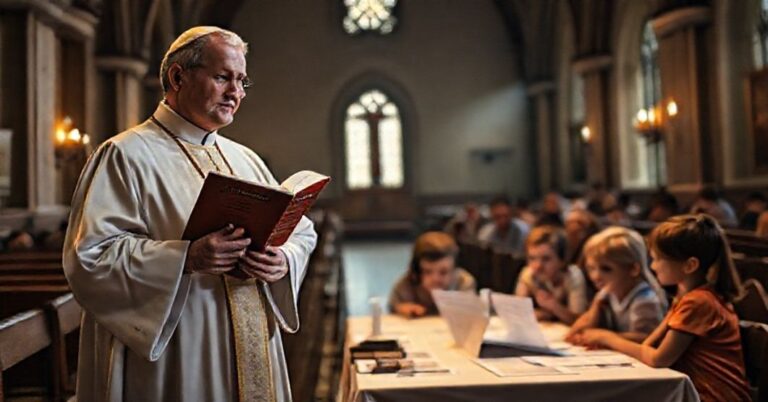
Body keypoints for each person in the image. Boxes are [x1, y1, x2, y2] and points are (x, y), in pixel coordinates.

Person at [63, 27, 317, 402]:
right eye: (223, 77)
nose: (236, 93)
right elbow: (91, 259)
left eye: (242, 81)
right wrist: (187, 257)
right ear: (178, 77)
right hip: (181, 353)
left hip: (251, 344)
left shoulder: (243, 158)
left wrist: (283, 259)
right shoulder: (124, 155)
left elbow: (302, 232)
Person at [577, 215, 750, 402]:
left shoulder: (699, 302)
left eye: (658, 259)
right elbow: (647, 345)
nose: (652, 266)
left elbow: (658, 359)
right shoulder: (684, 299)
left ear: (690, 265)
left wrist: (607, 338)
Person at [566, 227, 666, 344]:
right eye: (591, 268)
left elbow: (646, 338)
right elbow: (580, 329)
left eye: (606, 269)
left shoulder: (644, 300)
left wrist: (603, 337)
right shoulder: (608, 292)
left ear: (634, 269)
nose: (595, 276)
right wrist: (596, 305)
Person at [389, 231, 476, 317]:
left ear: (455, 270)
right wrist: (401, 309)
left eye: (443, 272)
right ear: (416, 272)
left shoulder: (464, 283)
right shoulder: (405, 286)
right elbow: (393, 308)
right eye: (427, 272)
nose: (435, 279)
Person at [514, 225, 588, 324]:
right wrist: (546, 314)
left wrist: (554, 306)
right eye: (532, 258)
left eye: (546, 259)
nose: (537, 266)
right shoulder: (528, 273)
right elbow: (517, 312)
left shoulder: (573, 276)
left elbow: (579, 320)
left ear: (562, 260)